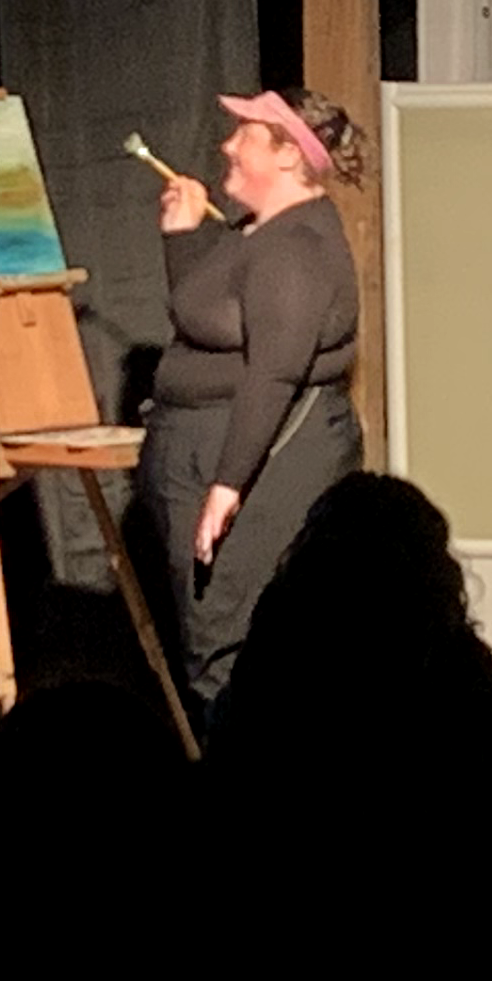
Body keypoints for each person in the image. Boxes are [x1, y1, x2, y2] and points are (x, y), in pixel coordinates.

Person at [137, 83, 370, 719]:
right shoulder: (253, 233)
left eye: (245, 135)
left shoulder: (297, 250)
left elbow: (274, 371)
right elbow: (202, 319)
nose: (226, 146)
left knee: (229, 639)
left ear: (290, 156)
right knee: (207, 632)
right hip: (206, 447)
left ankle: (243, 793)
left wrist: (227, 484)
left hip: (251, 456)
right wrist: (182, 236)